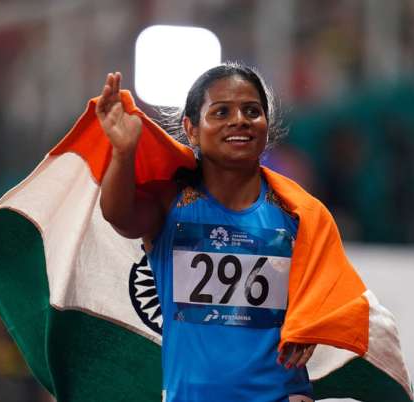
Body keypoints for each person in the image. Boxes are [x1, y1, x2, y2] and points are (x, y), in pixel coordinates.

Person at [97, 64, 317, 401]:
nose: (239, 120)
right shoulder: (172, 203)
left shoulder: (296, 212)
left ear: (266, 125)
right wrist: (123, 153)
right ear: (191, 129)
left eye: (252, 111)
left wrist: (313, 320)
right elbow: (118, 215)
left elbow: (326, 288)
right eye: (221, 112)